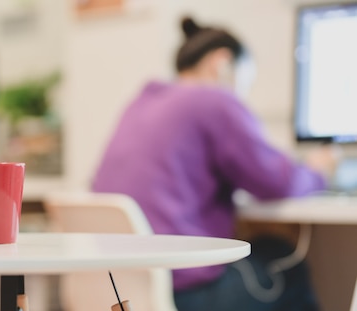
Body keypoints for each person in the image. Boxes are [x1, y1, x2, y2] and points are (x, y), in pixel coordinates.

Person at [91, 17, 337, 311]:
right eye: (243, 85)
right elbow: (277, 181)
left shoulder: (143, 101)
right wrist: (317, 171)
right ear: (221, 63)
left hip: (116, 292)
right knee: (285, 259)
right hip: (182, 295)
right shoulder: (213, 99)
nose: (240, 96)